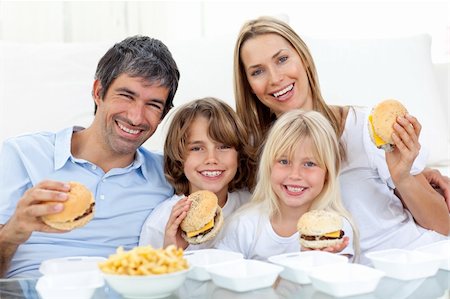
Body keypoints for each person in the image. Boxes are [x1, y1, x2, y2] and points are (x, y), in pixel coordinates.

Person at [233, 16, 449, 263]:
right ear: (249, 85)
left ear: (303, 58)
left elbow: (442, 225)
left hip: (409, 261)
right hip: (334, 279)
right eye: (258, 71)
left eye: (282, 59)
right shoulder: (252, 151)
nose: (275, 78)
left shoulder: (365, 128)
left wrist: (404, 177)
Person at [0, 35, 180, 278]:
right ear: (98, 91)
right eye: (126, 96)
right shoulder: (21, 155)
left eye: (153, 105)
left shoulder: (168, 174)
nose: (136, 117)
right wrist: (12, 232)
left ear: (163, 114)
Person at [215, 109, 359, 261]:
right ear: (268, 167)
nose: (295, 175)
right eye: (284, 161)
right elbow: (221, 275)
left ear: (327, 174)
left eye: (309, 164)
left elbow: (335, 282)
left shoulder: (336, 228)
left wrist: (316, 260)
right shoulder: (244, 224)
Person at [139, 97, 256, 250]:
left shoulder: (251, 206)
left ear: (239, 154)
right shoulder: (160, 223)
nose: (211, 159)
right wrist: (172, 252)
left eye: (223, 146)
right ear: (179, 157)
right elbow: (148, 272)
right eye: (197, 148)